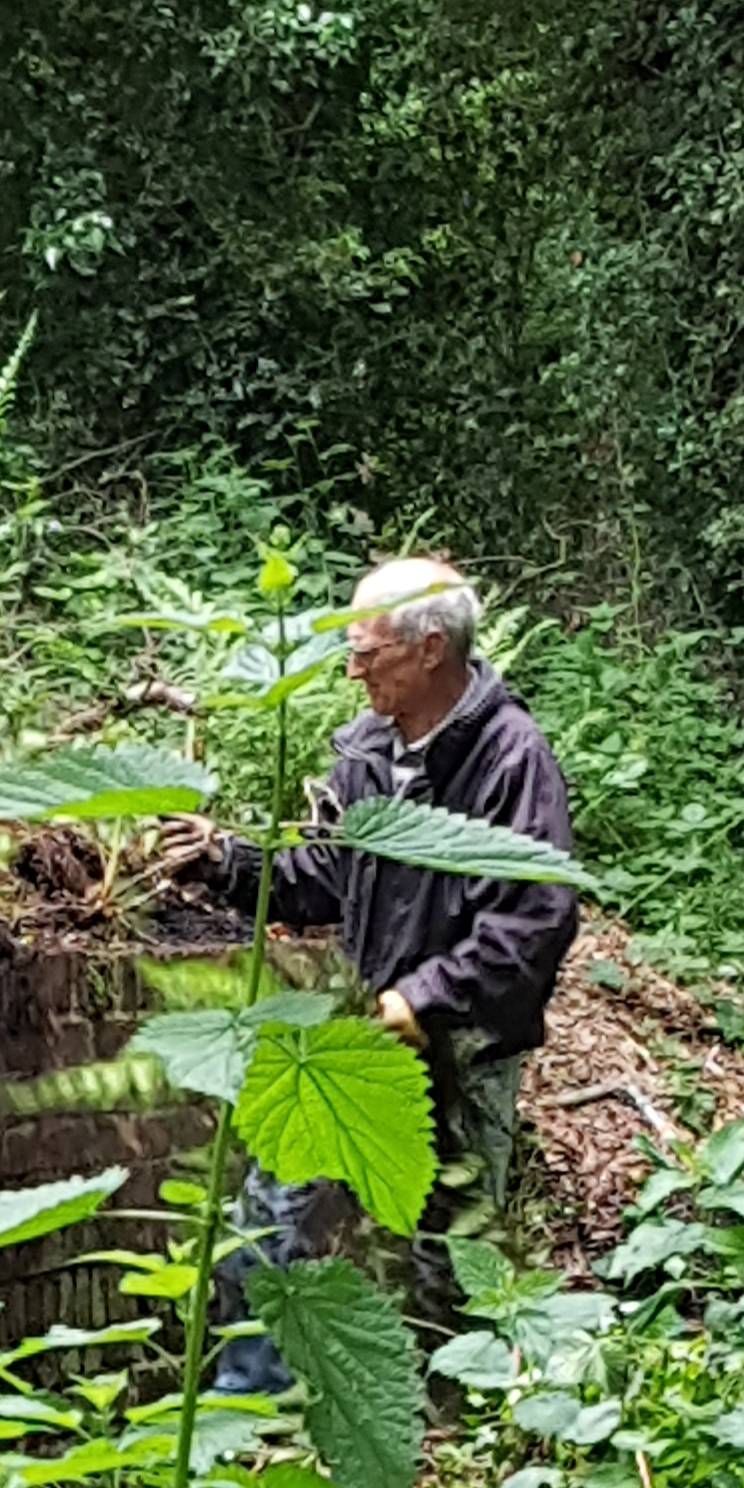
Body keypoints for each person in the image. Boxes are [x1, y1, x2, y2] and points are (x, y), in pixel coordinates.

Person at [201, 555, 577, 1392]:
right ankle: (246, 1409)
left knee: (450, 1251)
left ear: (430, 648)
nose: (352, 670)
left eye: (367, 652)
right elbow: (324, 878)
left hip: (462, 1046)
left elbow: (535, 918)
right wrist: (224, 860)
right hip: (361, 1035)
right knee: (271, 1215)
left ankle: (453, 1429)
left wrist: (426, 996)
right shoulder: (368, 749)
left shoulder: (511, 759)